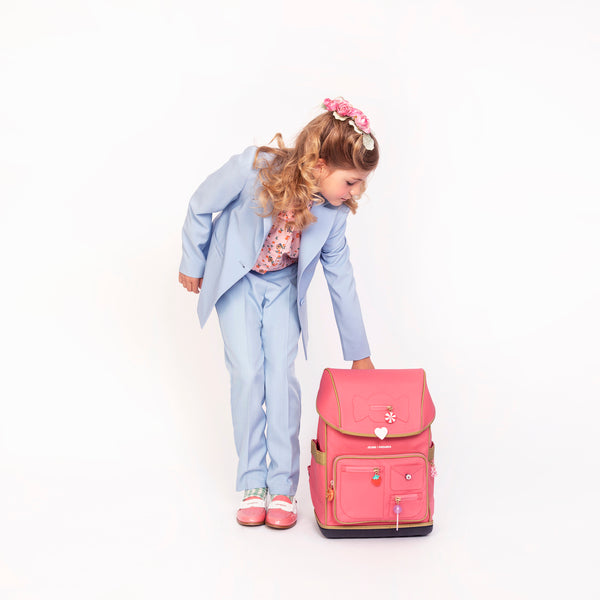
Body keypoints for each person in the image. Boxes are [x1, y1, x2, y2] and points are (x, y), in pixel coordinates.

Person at [178, 97, 378, 529]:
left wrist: (359, 353)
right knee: (248, 374)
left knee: (280, 378)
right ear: (321, 165)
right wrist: (192, 262)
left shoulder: (333, 214)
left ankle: (283, 488)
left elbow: (341, 278)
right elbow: (200, 203)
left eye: (361, 184)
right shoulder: (254, 168)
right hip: (238, 281)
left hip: (282, 286)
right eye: (351, 181)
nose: (355, 192)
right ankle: (253, 482)